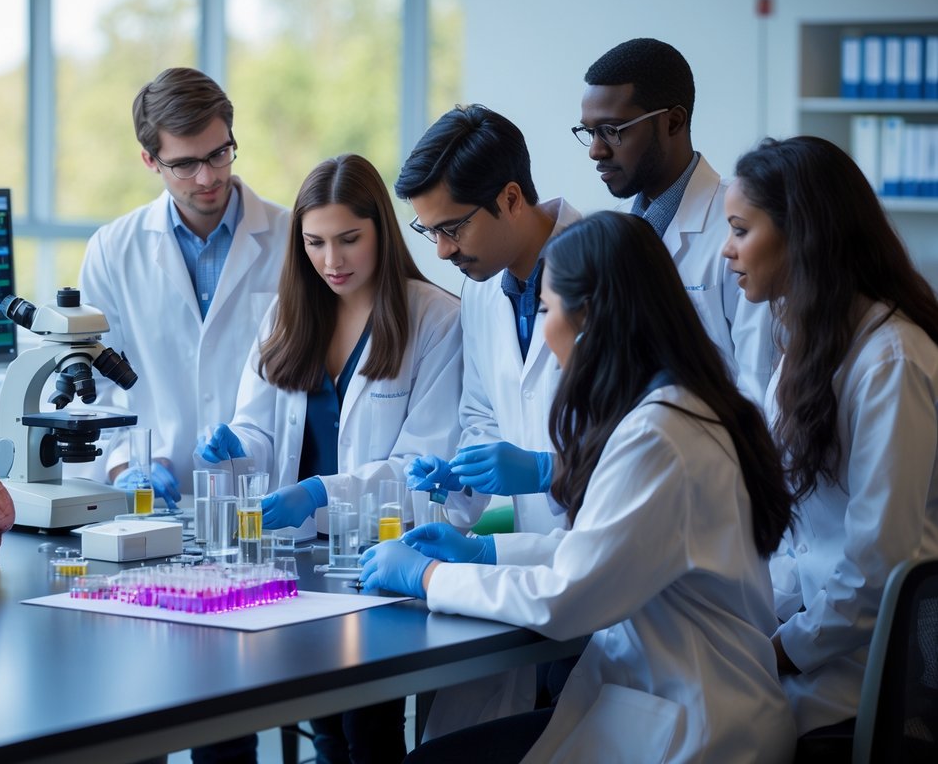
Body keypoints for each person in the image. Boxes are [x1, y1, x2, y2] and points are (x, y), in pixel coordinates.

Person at [361, 210, 798, 764]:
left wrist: (430, 577)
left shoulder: (658, 434)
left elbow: (567, 600)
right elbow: (611, 550)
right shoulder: (680, 408)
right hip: (673, 699)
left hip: (697, 723)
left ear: (590, 319)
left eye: (546, 308)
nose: (543, 329)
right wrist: (486, 550)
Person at [198, 153, 463, 764]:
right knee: (322, 731)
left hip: (378, 561)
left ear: (382, 232)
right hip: (298, 565)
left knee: (367, 734)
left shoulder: (435, 318)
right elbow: (259, 430)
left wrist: (322, 492)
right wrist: (235, 449)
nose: (332, 261)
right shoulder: (287, 312)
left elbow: (423, 464)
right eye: (315, 243)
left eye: (349, 239)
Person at [78, 67, 290, 764]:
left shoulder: (290, 239)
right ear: (149, 160)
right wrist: (122, 461)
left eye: (221, 153)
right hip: (148, 509)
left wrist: (255, 438)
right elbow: (99, 384)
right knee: (139, 705)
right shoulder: (113, 249)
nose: (208, 177)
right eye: (185, 163)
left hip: (256, 508)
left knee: (226, 720)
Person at [722, 135, 938, 749]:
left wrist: (781, 650)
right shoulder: (805, 339)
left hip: (865, 668)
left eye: (741, 229)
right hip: (817, 631)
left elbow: (876, 565)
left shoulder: (891, 359)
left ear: (802, 234)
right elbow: (804, 537)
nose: (727, 251)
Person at [391, 104, 580, 735]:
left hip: (598, 570)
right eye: (428, 233)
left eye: (453, 228)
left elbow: (643, 435)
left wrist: (549, 470)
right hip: (529, 562)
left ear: (509, 198)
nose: (442, 250)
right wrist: (466, 475)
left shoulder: (611, 268)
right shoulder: (481, 285)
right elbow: (482, 412)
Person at [576, 37, 776, 404]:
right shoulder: (618, 233)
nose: (596, 150)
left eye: (613, 130)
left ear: (673, 122)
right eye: (589, 132)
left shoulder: (739, 230)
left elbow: (758, 388)